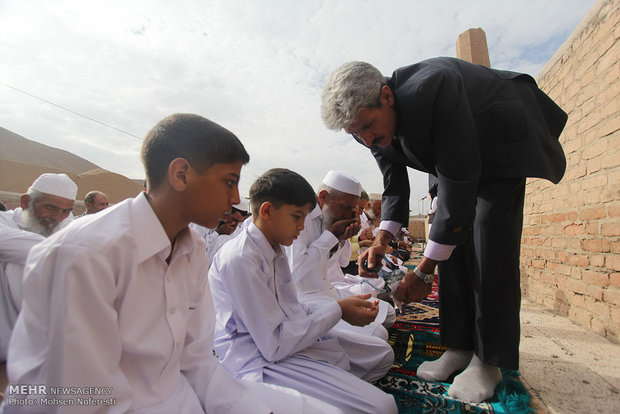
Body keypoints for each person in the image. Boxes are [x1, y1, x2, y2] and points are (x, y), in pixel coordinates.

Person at [2, 114, 340, 414]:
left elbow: (196, 364)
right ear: (181, 174)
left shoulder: (190, 249)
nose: (236, 199)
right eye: (229, 181)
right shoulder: (87, 254)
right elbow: (81, 400)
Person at [321, 58, 567, 403]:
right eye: (355, 134)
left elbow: (461, 177)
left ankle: (489, 361)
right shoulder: (368, 129)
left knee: (488, 242)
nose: (367, 139)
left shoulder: (434, 87)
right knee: (448, 236)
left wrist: (423, 271)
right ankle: (461, 346)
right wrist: (382, 239)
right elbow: (395, 187)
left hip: (497, 138)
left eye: (368, 126)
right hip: (451, 158)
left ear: (387, 96)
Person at [209, 168, 397, 414]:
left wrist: (336, 310)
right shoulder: (242, 258)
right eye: (297, 217)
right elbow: (272, 345)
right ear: (266, 211)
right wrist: (337, 311)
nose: (301, 227)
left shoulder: (273, 247)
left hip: (291, 333)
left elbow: (291, 308)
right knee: (383, 407)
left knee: (381, 356)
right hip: (256, 360)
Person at [0, 173, 78, 361]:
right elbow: (34, 249)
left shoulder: (66, 225)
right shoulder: (4, 221)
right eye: (50, 208)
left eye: (66, 211)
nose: (57, 217)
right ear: (26, 202)